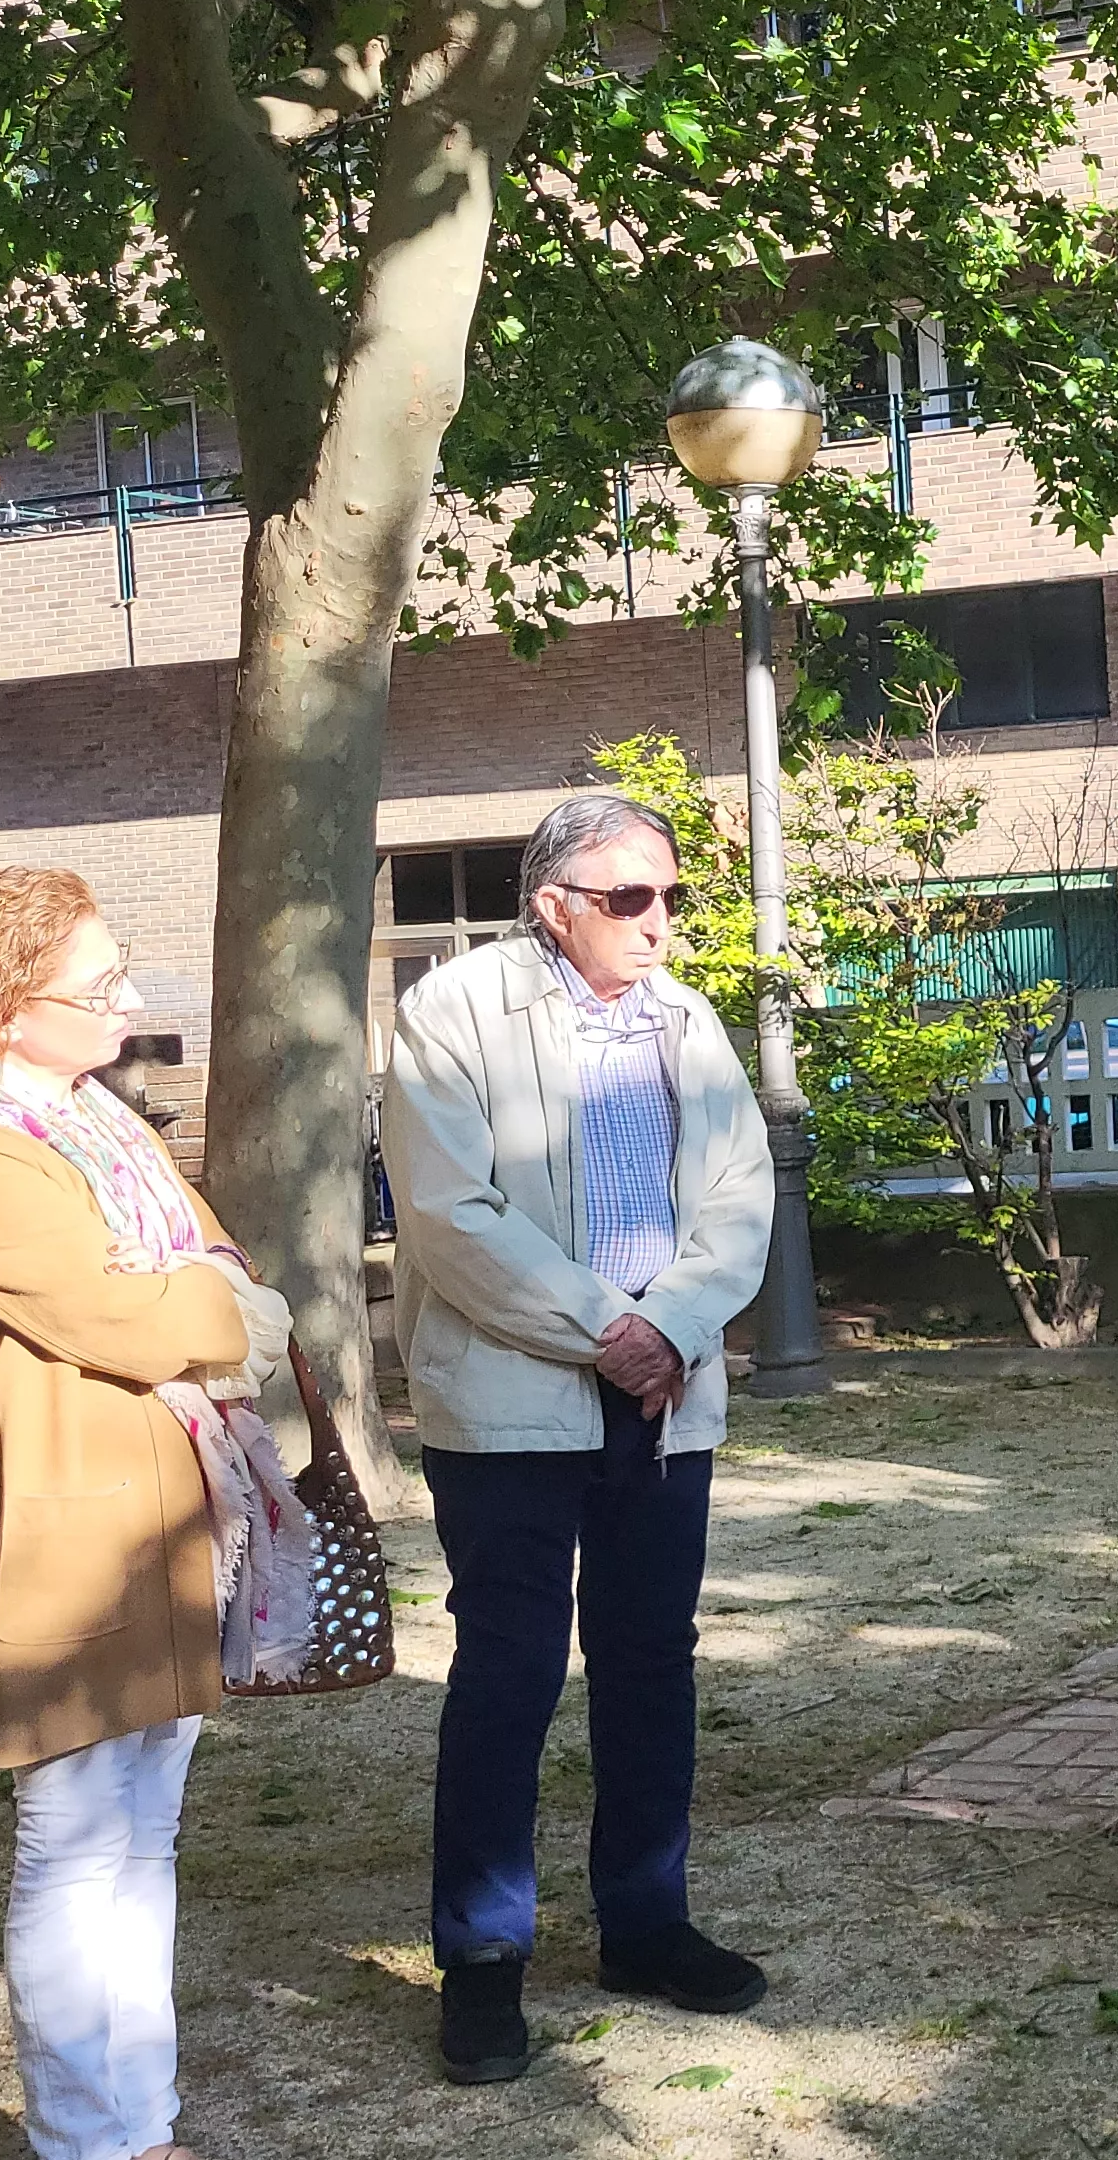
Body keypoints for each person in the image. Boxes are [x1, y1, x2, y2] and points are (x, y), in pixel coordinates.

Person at [0, 869, 296, 2160]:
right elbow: (127, 1311)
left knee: (139, 1846)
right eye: (95, 987)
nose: (129, 1002)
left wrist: (213, 1303)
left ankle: (136, 2124)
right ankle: (86, 2138)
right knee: (77, 1848)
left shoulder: (91, 1122)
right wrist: (223, 1318)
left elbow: (214, 1262)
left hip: (164, 1519)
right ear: (1, 1007)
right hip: (67, 1535)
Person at [383, 788, 780, 2084]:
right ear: (553, 905)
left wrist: (672, 1329)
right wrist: (609, 1327)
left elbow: (737, 1196)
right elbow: (452, 1216)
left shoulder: (686, 1022)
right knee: (509, 1672)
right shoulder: (453, 1013)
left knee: (651, 1662)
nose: (660, 925)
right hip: (514, 1404)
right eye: (630, 900)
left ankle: (646, 1924)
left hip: (662, 1395)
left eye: (673, 898)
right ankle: (483, 1964)